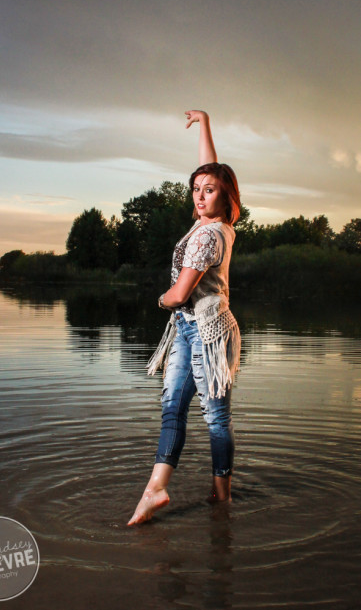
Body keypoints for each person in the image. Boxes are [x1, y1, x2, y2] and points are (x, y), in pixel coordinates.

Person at [127, 110, 241, 526]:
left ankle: (222, 493)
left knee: (216, 417)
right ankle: (156, 489)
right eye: (195, 189)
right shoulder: (208, 223)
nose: (199, 195)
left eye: (208, 191)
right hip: (187, 330)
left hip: (210, 334)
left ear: (225, 197)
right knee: (172, 405)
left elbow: (178, 294)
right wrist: (206, 123)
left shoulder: (211, 234)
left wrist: (160, 299)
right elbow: (209, 168)